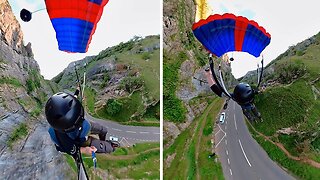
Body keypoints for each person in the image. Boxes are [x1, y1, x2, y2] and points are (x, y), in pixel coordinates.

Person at [45, 90, 117, 158]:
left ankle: (103, 141)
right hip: (80, 139)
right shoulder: (64, 142)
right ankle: (110, 147)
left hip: (84, 128)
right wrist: (85, 150)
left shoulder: (66, 113)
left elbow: (72, 101)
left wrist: (77, 91)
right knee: (106, 147)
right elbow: (71, 150)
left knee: (103, 130)